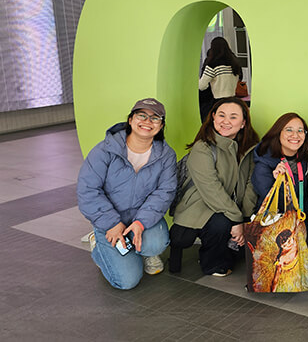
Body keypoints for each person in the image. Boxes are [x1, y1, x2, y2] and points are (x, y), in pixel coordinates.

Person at [77, 98, 177, 289]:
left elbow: (164, 192)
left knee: (155, 244)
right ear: (130, 120)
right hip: (110, 220)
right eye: (142, 115)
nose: (147, 121)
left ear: (161, 125)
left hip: (143, 218)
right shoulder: (104, 150)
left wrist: (140, 223)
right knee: (126, 282)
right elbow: (88, 190)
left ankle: (145, 251)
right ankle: (99, 245)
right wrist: (111, 223)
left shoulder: (166, 155)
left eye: (155, 118)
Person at [169, 97, 260, 276]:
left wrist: (246, 219)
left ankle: (223, 248)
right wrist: (236, 220)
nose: (226, 121)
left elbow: (251, 185)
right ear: (213, 118)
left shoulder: (249, 149)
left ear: (243, 123)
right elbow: (211, 189)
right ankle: (211, 264)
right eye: (221, 115)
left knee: (241, 249)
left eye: (233, 117)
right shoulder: (202, 148)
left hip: (231, 208)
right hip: (199, 205)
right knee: (220, 223)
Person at [252, 112, 308, 226]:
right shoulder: (265, 162)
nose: (295, 135)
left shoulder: (305, 156)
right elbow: (272, 201)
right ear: (278, 133)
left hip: (300, 222)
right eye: (289, 130)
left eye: (300, 131)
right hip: (273, 224)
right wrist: (281, 183)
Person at [198, 37, 243, 122]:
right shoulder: (234, 64)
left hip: (218, 102)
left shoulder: (212, 65)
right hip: (233, 99)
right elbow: (240, 78)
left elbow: (202, 86)